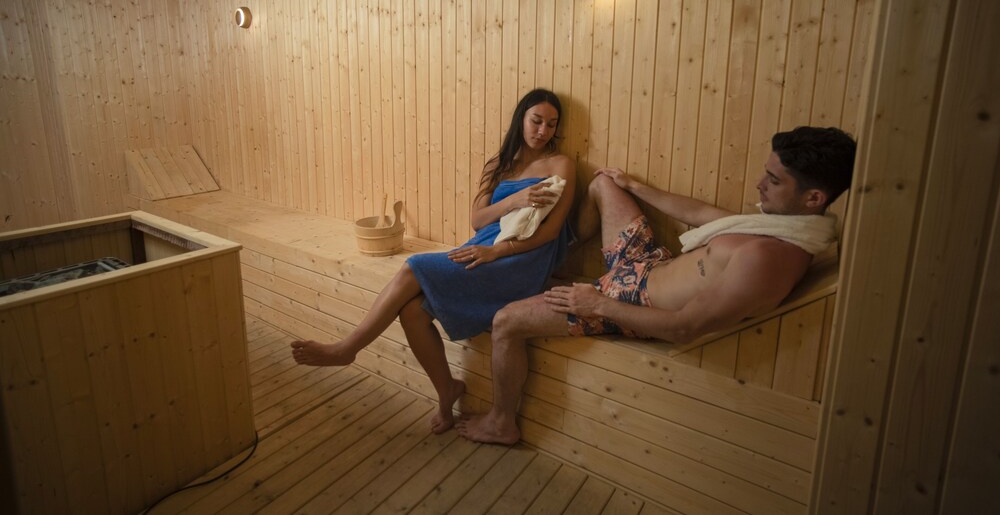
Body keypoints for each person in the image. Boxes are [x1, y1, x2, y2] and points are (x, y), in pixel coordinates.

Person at [457, 126, 856, 445]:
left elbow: (684, 327)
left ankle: (501, 422)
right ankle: (548, 255)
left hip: (633, 301)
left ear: (813, 198)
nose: (759, 184)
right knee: (603, 184)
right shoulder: (781, 225)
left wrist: (597, 304)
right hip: (648, 264)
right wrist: (633, 186)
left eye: (773, 179)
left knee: (506, 321)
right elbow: (703, 213)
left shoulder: (769, 260)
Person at [291, 88, 576, 434]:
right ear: (521, 119)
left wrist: (497, 252)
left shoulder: (561, 165)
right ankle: (447, 391)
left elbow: (551, 232)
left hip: (518, 261)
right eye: (536, 121)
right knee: (412, 312)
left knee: (414, 265)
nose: (543, 131)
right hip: (481, 248)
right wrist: (514, 201)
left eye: (551, 124)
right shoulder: (498, 164)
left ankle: (347, 349)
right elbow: (478, 220)